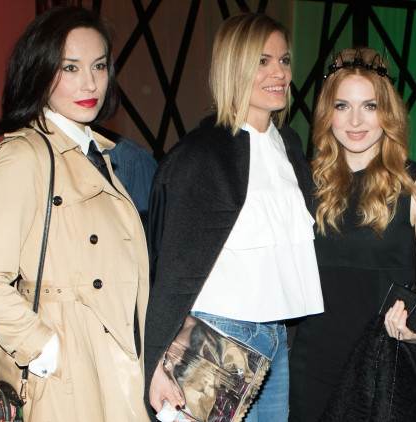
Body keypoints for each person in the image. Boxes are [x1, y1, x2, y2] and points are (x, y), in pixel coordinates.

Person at [0, 7, 149, 421]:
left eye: (99, 66)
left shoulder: (97, 154)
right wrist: (45, 350)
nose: (90, 83)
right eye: (70, 67)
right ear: (39, 71)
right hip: (62, 375)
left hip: (108, 363)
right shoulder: (25, 156)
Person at [144, 13, 323, 422]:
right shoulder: (202, 153)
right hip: (218, 338)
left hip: (275, 337)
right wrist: (155, 362)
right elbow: (172, 268)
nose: (279, 73)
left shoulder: (289, 144)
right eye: (262, 61)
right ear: (234, 67)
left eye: (284, 60)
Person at [289, 47, 416, 421]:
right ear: (327, 114)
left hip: (385, 368)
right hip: (312, 368)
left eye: (370, 106)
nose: (356, 120)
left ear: (387, 112)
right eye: (342, 106)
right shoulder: (303, 182)